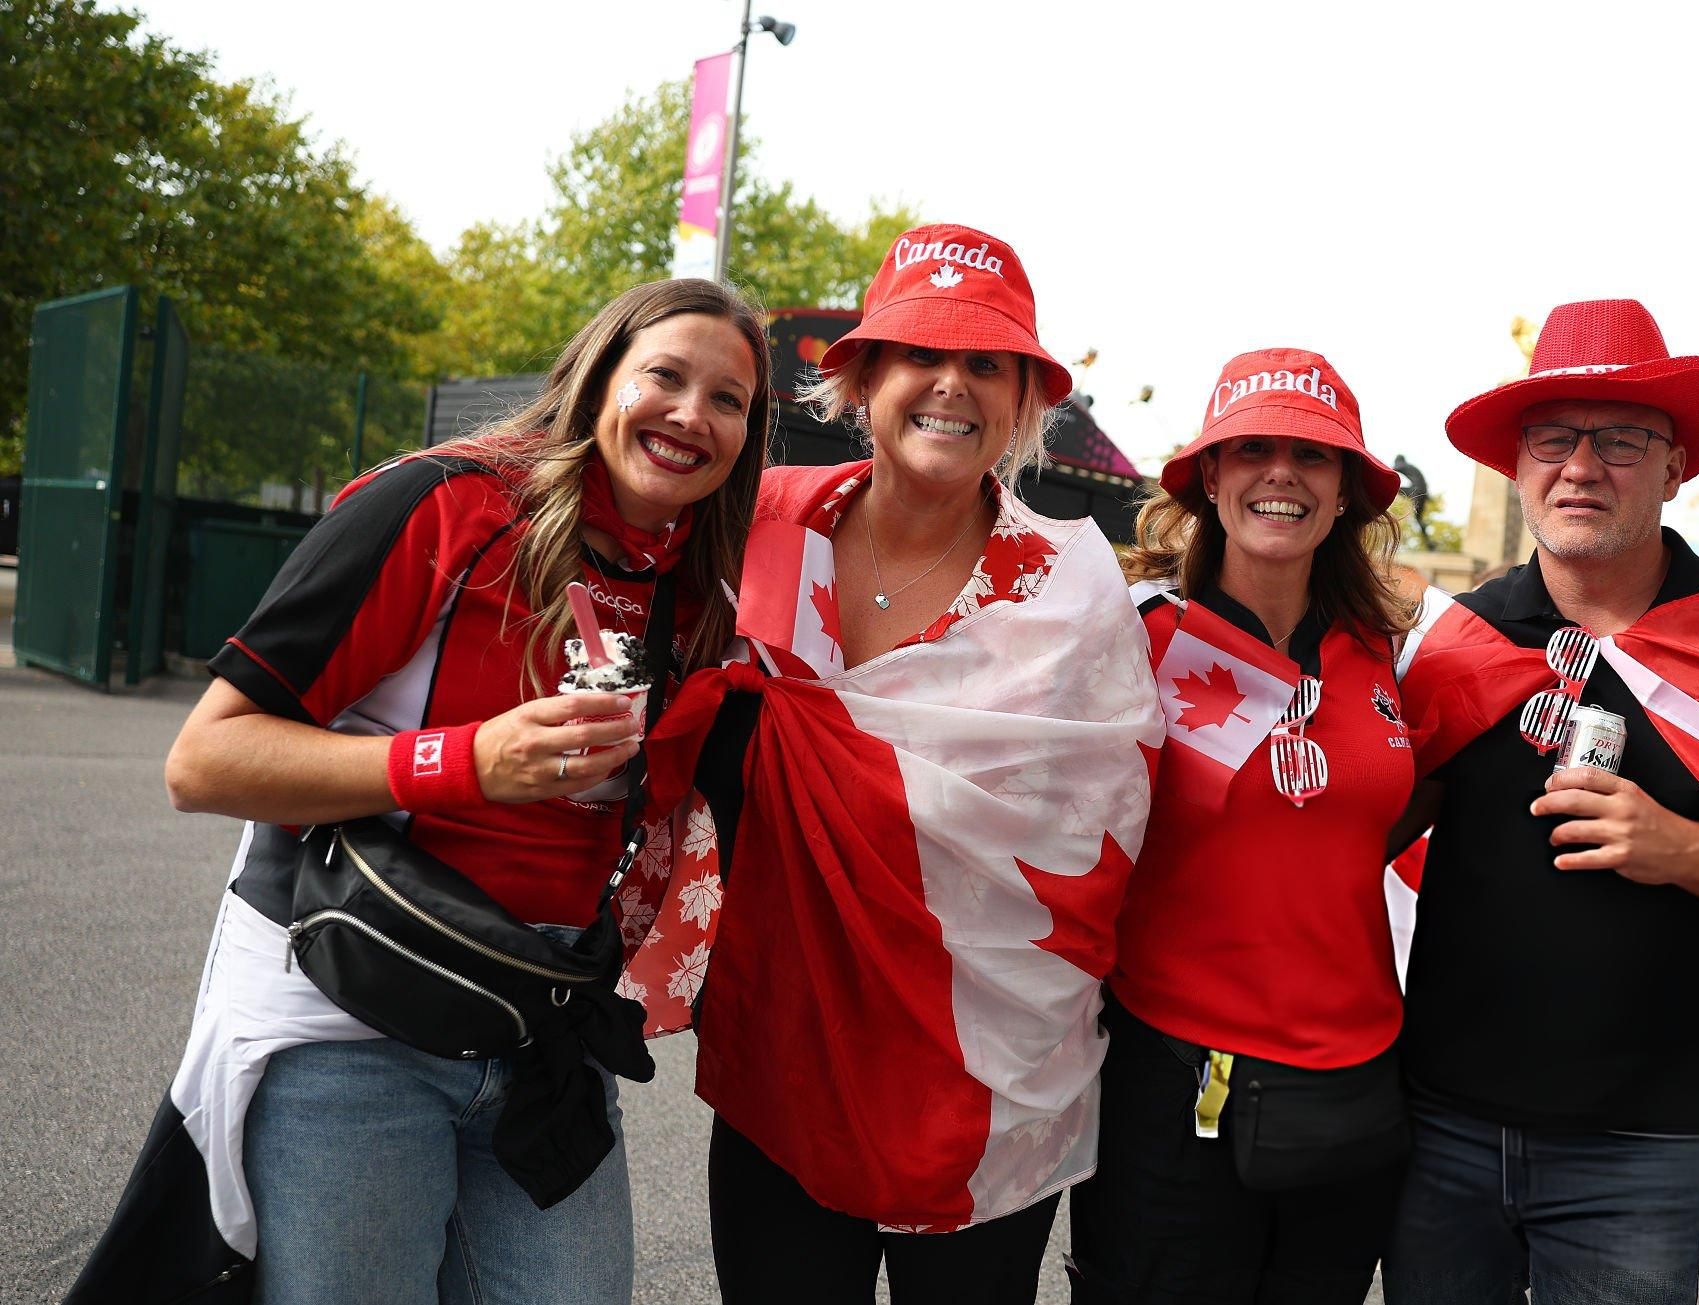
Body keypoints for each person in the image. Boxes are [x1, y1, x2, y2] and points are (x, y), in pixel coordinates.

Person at [73, 280, 773, 1303]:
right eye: (664, 376)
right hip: (349, 1028)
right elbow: (205, 761)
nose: (690, 414)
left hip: (541, 1036)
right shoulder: (448, 505)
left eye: (728, 400)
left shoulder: (701, 584)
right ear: (598, 380)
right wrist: (465, 761)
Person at [627, 224, 1161, 1305]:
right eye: (920, 354)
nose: (950, 385)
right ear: (862, 378)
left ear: (1021, 400)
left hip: (986, 1084)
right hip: (786, 1054)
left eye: (986, 364)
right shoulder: (755, 532)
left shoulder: (1069, 591)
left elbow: (1100, 837)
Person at [1382, 299, 1699, 1304]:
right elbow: (1342, 844)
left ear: (1674, 467)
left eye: (1619, 440)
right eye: (1552, 438)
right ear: (1516, 466)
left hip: (1638, 1145)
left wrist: (1675, 847)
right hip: (1437, 1125)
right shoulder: (1452, 644)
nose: (1580, 466)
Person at [1067, 349, 1414, 1303]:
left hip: (1354, 1100)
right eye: (1252, 447)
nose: (1281, 474)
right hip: (1176, 1088)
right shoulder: (1128, 634)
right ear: (1209, 475)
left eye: (1312, 455)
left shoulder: (1386, 653)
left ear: (1345, 490)